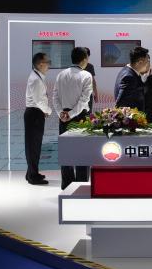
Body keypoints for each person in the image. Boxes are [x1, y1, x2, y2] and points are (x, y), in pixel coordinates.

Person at [56, 47, 94, 189]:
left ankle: (67, 184)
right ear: (84, 59)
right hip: (80, 117)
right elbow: (84, 100)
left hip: (63, 117)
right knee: (82, 153)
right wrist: (71, 114)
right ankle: (81, 184)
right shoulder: (86, 75)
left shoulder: (61, 74)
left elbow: (54, 97)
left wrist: (61, 113)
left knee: (66, 152)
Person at [23, 52, 51, 186]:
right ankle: (32, 176)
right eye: (47, 62)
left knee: (35, 145)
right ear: (40, 64)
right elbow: (39, 100)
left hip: (36, 113)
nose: (49, 65)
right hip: (34, 114)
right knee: (33, 146)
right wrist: (48, 111)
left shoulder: (37, 76)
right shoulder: (35, 79)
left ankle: (31, 172)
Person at [114, 46, 149, 111]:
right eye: (147, 62)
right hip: (132, 116)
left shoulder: (130, 71)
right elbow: (120, 104)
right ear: (140, 62)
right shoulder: (129, 77)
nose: (148, 65)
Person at [82, 47, 98, 113]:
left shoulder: (90, 66)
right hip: (78, 95)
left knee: (88, 113)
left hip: (88, 94)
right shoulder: (76, 66)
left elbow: (93, 81)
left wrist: (95, 93)